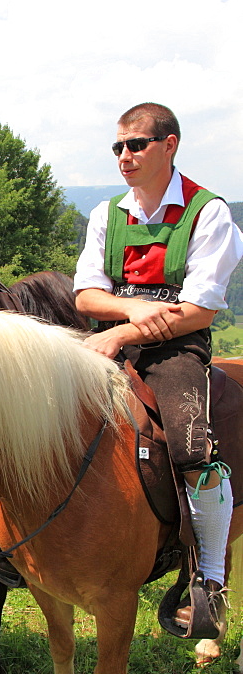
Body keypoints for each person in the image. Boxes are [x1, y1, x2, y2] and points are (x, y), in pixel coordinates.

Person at [73, 102, 243, 633]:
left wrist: (125, 329)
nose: (125, 156)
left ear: (169, 145)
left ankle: (208, 577)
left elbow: (201, 308)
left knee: (193, 447)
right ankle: (12, 543)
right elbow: (85, 295)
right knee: (31, 409)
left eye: (137, 144)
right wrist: (130, 311)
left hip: (177, 349)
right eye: (118, 147)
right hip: (110, 335)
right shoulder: (107, 214)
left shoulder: (207, 211)